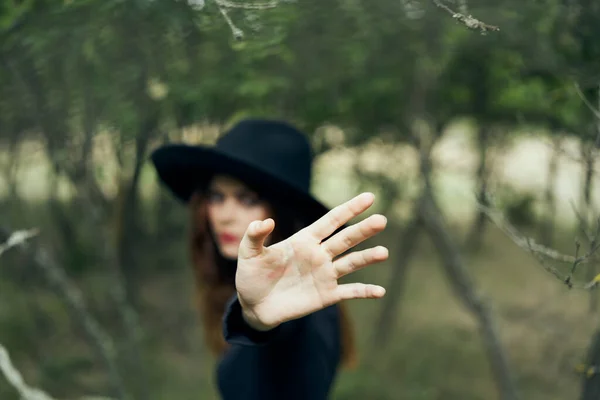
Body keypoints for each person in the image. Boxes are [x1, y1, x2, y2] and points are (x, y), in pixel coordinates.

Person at [150, 118, 389, 400]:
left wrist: (259, 324)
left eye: (247, 199)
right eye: (217, 196)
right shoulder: (236, 285)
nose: (225, 215)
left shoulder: (303, 305)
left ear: (282, 212)